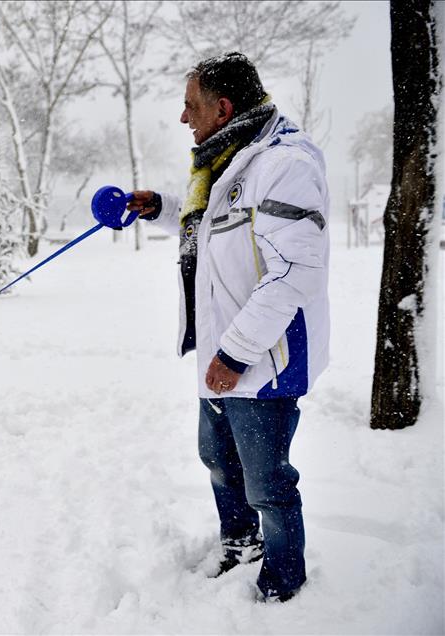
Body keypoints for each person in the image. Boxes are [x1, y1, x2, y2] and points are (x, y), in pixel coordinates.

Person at [126, 51, 330, 603]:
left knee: (268, 484)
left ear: (224, 106)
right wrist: (159, 208)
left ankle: (284, 583)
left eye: (191, 105)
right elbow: (215, 230)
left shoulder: (285, 164)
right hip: (222, 353)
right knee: (219, 460)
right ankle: (240, 543)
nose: (182, 117)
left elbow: (294, 273)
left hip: (265, 358)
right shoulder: (226, 160)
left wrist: (235, 354)